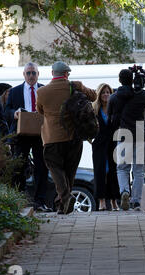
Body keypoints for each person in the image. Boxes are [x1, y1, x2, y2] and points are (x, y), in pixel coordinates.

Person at [36, 61, 97, 214]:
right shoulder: (74, 86)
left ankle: (65, 198)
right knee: (69, 172)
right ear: (66, 74)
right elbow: (94, 96)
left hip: (52, 138)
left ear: (52, 74)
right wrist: (80, 86)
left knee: (55, 169)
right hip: (74, 138)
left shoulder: (42, 92)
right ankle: (63, 204)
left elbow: (40, 111)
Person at [108, 69, 145, 211]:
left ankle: (124, 191)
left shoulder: (114, 97)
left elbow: (110, 117)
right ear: (132, 80)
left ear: (120, 80)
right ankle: (136, 201)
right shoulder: (141, 95)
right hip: (139, 134)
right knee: (139, 171)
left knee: (122, 168)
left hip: (122, 134)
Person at [4, 62, 50, 212]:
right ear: (24, 75)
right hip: (21, 134)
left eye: (33, 73)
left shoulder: (44, 90)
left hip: (40, 133)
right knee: (19, 167)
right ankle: (19, 200)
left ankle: (40, 202)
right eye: (28, 73)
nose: (31, 76)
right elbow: (6, 111)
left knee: (42, 168)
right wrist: (14, 114)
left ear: (38, 74)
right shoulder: (15, 91)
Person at [92, 83, 120, 211]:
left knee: (114, 172)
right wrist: (90, 139)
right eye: (103, 92)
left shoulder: (115, 108)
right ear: (99, 94)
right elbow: (87, 126)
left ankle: (114, 201)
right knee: (100, 172)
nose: (106, 95)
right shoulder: (94, 109)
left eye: (108, 92)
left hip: (113, 144)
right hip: (99, 145)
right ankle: (102, 201)